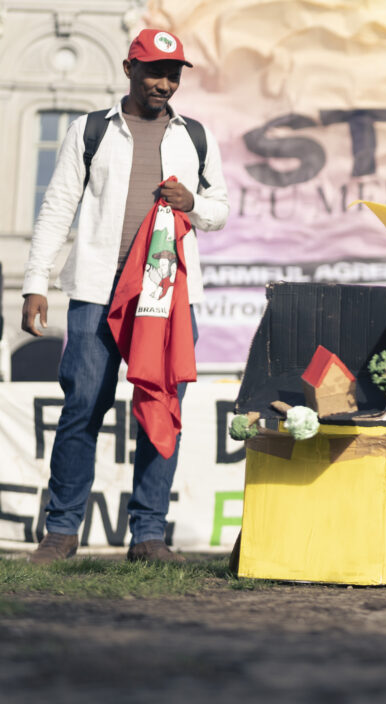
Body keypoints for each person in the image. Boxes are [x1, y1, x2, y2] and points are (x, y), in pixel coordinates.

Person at [21, 28, 229, 564]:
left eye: (173, 75)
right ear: (129, 69)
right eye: (154, 72)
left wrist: (192, 204)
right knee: (82, 407)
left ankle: (149, 535)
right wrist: (36, 282)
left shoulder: (195, 136)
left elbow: (220, 210)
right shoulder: (91, 130)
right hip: (97, 289)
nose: (164, 84)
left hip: (164, 292)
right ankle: (61, 532)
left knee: (160, 407)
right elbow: (57, 206)